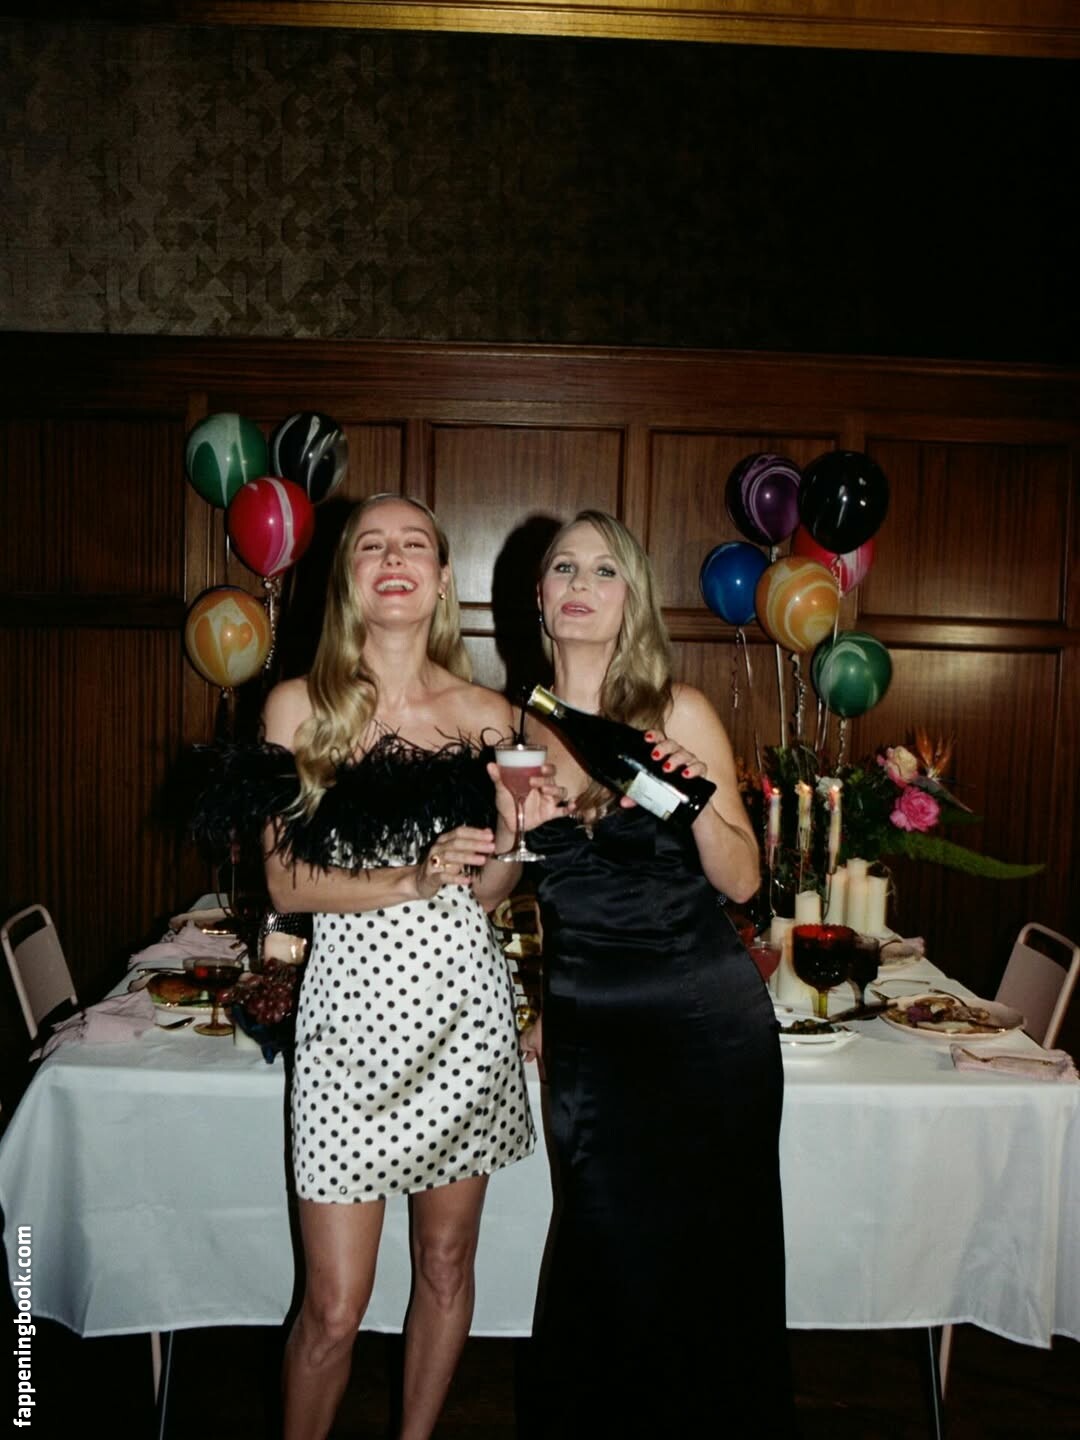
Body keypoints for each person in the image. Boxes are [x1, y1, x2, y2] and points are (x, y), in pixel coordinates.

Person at [258, 494, 551, 1440]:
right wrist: (410, 877)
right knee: (333, 1306)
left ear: (440, 577)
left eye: (413, 544)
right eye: (371, 546)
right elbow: (286, 883)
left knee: (447, 1265)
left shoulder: (489, 714)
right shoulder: (299, 706)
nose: (394, 559)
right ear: (347, 577)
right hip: (348, 1025)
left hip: (464, 1020)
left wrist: (511, 832)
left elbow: (488, 892)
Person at [521, 510, 795, 1436]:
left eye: (605, 570)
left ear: (630, 599)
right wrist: (544, 1003)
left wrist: (691, 801)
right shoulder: (521, 725)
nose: (581, 585)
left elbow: (744, 882)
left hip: (701, 1029)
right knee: (600, 1248)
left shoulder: (676, 710)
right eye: (565, 568)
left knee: (707, 1265)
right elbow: (541, 892)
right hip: (589, 1031)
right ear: (539, 597)